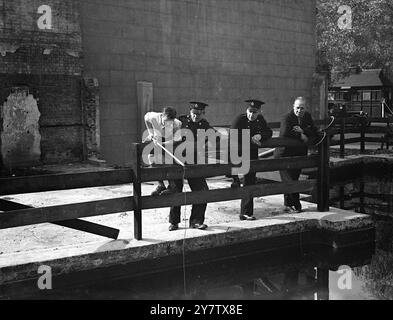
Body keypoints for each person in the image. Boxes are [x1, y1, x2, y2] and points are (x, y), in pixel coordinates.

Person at [168, 102, 218, 231]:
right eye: (194, 114)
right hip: (176, 160)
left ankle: (196, 221)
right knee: (175, 191)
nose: (196, 116)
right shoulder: (180, 121)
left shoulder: (204, 125)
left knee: (202, 191)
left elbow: (215, 135)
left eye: (199, 114)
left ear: (203, 113)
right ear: (190, 112)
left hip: (194, 162)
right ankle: (174, 222)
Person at [230, 99, 273, 221]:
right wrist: (250, 139)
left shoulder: (260, 120)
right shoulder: (240, 119)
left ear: (259, 112)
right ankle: (234, 180)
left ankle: (246, 212)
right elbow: (233, 135)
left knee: (250, 182)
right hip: (236, 153)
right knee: (237, 182)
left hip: (251, 155)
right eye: (249, 111)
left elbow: (268, 132)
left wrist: (260, 136)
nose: (251, 114)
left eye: (254, 112)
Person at [275, 97, 318, 213]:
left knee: (295, 178)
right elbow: (285, 133)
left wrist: (302, 131)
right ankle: (294, 204)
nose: (300, 110)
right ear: (293, 107)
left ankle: (289, 204)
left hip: (299, 154)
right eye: (297, 108)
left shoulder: (307, 117)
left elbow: (314, 131)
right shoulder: (287, 118)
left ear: (305, 108)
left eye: (302, 108)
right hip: (284, 154)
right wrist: (300, 136)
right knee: (289, 180)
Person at [144, 107, 182, 196]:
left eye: (169, 122)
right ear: (162, 116)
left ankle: (172, 186)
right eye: (165, 121)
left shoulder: (177, 124)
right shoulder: (153, 117)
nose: (166, 124)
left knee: (166, 162)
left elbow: (177, 139)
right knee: (152, 160)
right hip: (157, 138)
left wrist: (163, 143)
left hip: (169, 141)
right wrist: (151, 133)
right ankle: (160, 185)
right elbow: (146, 118)